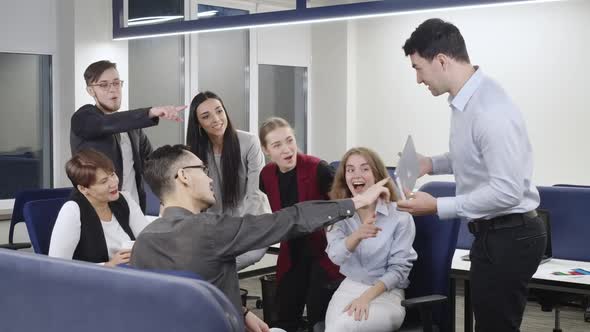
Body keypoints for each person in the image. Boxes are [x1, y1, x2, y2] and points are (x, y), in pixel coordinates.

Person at [129, 144, 390, 332]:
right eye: (203, 169)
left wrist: (241, 312)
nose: (210, 178)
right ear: (184, 176)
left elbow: (187, 291)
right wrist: (355, 202)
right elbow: (290, 219)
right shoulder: (209, 230)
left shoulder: (144, 241)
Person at [397, 18, 546, 332]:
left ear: (441, 61)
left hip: (510, 234)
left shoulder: (490, 110)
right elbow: (470, 157)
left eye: (417, 68)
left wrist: (438, 207)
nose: (418, 80)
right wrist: (429, 164)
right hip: (494, 232)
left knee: (496, 327)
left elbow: (507, 191)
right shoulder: (465, 102)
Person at [258, 117, 343, 331]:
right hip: (291, 250)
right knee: (283, 316)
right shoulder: (266, 175)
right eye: (277, 145)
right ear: (266, 150)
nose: (287, 150)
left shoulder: (318, 169)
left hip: (322, 252)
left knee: (318, 317)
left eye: (290, 140)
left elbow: (342, 208)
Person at [70, 60, 185, 212]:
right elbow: (104, 124)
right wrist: (151, 112)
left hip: (134, 209)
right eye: (104, 85)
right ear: (91, 91)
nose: (113, 90)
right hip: (98, 211)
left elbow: (153, 163)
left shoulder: (132, 127)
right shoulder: (83, 118)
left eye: (116, 83)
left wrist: (185, 166)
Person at [324, 147, 416, 332]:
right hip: (349, 287)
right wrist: (357, 235)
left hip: (386, 293)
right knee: (333, 328)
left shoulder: (400, 216)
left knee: (343, 327)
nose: (356, 174)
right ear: (345, 178)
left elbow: (399, 270)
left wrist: (366, 297)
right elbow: (336, 256)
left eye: (364, 169)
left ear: (377, 175)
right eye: (350, 170)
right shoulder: (338, 214)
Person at [49, 149, 150, 266]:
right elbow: (57, 266)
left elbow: (148, 239)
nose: (114, 183)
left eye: (112, 174)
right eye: (104, 181)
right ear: (83, 189)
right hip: (95, 281)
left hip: (132, 273)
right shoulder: (72, 211)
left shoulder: (124, 199)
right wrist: (108, 265)